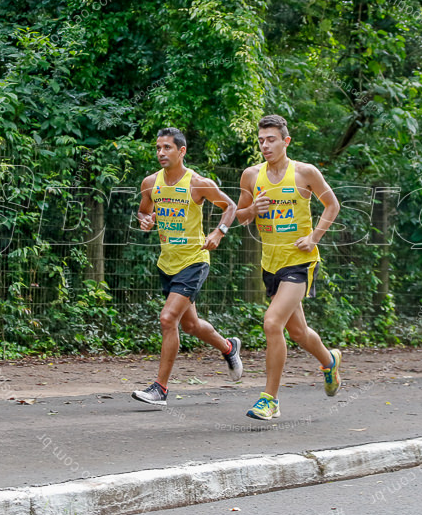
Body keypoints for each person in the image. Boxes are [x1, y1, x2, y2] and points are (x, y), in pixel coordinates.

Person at [235, 114, 342, 420]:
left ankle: (270, 399)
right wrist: (252, 209)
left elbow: (332, 205)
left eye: (271, 140)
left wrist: (314, 236)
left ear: (286, 141)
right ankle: (329, 361)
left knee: (272, 323)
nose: (265, 146)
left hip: (300, 261)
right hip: (270, 263)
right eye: (261, 141)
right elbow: (241, 216)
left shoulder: (304, 173)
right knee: (297, 332)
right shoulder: (251, 176)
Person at [132, 127, 242, 406]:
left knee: (168, 319)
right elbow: (144, 211)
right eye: (158, 147)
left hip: (194, 261)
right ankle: (229, 347)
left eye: (167, 147)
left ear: (181, 151)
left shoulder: (198, 183)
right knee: (191, 325)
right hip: (167, 262)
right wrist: (145, 220)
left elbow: (229, 206)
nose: (160, 153)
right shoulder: (150, 183)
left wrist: (219, 233)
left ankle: (161, 389)